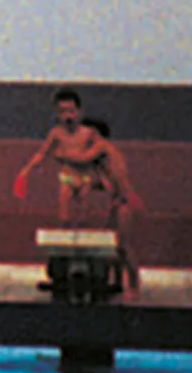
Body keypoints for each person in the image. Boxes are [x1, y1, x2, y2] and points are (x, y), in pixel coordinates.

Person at [13, 88, 143, 291]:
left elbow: (82, 159)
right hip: (103, 193)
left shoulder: (101, 147)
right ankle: (113, 282)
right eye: (63, 112)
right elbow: (105, 182)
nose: (68, 117)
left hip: (124, 201)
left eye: (72, 112)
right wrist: (27, 170)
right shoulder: (85, 151)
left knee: (123, 246)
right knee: (105, 241)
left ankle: (133, 286)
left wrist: (60, 156)